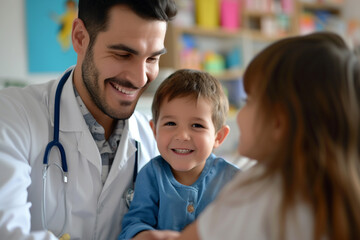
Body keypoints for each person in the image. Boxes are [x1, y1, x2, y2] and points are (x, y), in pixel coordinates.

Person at [0, 0, 176, 239]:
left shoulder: (156, 140)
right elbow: (8, 232)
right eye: (123, 54)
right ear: (80, 37)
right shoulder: (11, 115)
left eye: (152, 59)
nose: (139, 77)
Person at [172, 32, 360, 240]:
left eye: (249, 101)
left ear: (278, 122)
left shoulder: (257, 192)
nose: (241, 113)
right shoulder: (345, 196)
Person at [118, 69, 239, 240]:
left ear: (218, 137)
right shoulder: (151, 175)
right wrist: (146, 235)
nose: (182, 136)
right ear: (154, 131)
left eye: (197, 125)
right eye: (170, 123)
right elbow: (134, 225)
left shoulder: (233, 181)